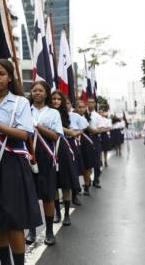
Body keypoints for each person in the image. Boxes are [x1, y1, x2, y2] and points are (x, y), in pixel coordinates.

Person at [0, 59, 42, 265]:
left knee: (14, 220)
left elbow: (24, 134)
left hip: (13, 162)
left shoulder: (20, 102)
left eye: (1, 73)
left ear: (10, 77)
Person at [26, 81, 63, 246]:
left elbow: (56, 136)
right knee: (30, 195)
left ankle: (49, 230)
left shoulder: (53, 113)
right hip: (27, 154)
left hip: (46, 155)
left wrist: (38, 127)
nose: (37, 93)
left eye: (40, 90)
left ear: (46, 93)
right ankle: (32, 230)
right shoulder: (25, 110)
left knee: (48, 195)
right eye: (34, 90)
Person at [51, 91, 81, 226]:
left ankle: (67, 214)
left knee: (65, 182)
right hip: (48, 147)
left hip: (62, 148)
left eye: (59, 99)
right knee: (54, 183)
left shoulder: (67, 115)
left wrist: (64, 129)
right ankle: (57, 212)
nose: (56, 101)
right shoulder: (46, 112)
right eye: (54, 99)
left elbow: (73, 132)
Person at [66, 98, 87, 206]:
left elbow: (82, 129)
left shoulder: (76, 116)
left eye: (68, 103)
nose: (66, 105)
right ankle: (66, 195)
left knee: (74, 169)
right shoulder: (56, 114)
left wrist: (74, 133)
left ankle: (74, 195)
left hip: (72, 142)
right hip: (59, 141)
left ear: (71, 105)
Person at [87, 98, 107, 189]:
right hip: (84, 138)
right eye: (88, 102)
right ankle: (87, 181)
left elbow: (102, 128)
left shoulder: (98, 116)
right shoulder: (83, 114)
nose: (90, 104)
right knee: (87, 161)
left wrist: (95, 131)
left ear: (94, 104)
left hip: (95, 138)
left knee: (96, 161)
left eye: (92, 102)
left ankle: (96, 180)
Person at [75, 100, 95, 196]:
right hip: (75, 142)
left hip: (85, 143)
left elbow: (91, 130)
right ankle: (76, 187)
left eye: (83, 107)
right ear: (75, 107)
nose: (81, 109)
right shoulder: (72, 116)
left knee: (86, 166)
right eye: (79, 107)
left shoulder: (87, 117)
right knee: (77, 166)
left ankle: (86, 186)